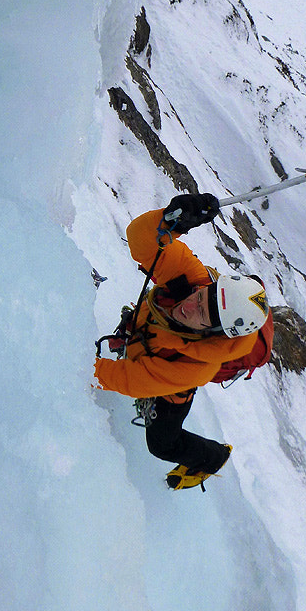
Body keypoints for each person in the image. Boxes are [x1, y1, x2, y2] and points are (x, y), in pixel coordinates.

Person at [94, 192, 269, 490]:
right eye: (202, 297)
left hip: (171, 385)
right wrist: (169, 222)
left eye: (203, 315)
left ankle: (211, 458)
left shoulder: (196, 366)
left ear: (216, 333)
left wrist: (69, 363)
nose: (190, 305)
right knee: (144, 327)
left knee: (162, 444)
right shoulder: (192, 280)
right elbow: (140, 240)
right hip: (147, 337)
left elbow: (126, 379)